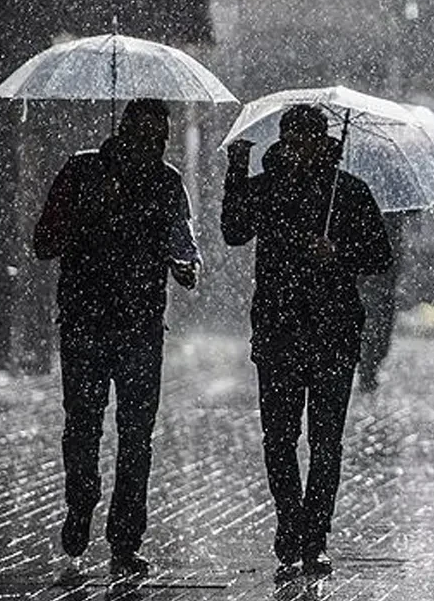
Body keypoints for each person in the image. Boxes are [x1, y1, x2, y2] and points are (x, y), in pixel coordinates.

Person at [221, 105, 393, 581]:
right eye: (290, 141)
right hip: (278, 329)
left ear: (323, 143)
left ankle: (315, 535)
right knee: (279, 438)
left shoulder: (349, 192)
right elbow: (234, 231)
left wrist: (338, 252)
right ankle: (289, 520)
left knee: (325, 441)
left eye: (305, 142)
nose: (296, 151)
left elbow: (379, 256)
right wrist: (237, 171)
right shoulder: (267, 187)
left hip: (333, 332)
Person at [33, 98, 200, 578]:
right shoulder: (82, 172)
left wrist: (185, 266)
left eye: (159, 139)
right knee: (82, 426)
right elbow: (43, 242)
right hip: (85, 323)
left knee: (136, 437)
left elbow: (184, 245)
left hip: (141, 327)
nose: (152, 147)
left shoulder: (167, 182)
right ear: (123, 132)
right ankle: (82, 500)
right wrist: (90, 213)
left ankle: (126, 539)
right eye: (144, 137)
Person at [357, 211, 406, 393]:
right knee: (374, 327)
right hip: (372, 283)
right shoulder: (366, 217)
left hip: (382, 285)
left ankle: (368, 365)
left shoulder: (393, 219)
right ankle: (367, 367)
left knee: (379, 330)